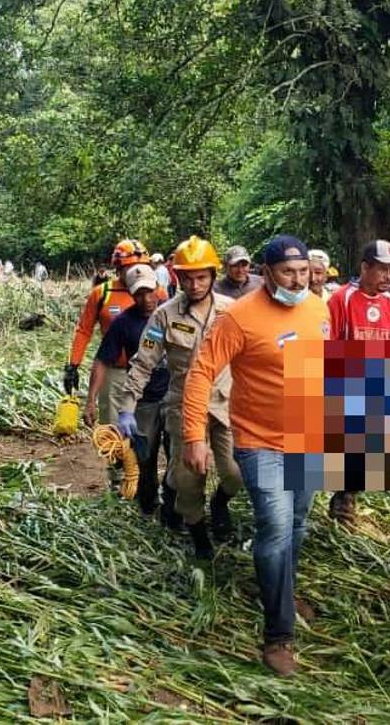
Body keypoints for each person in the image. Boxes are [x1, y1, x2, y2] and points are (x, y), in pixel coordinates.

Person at [181, 235, 330, 676]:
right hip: (258, 440)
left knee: (299, 522)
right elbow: (201, 372)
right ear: (266, 273)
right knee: (277, 525)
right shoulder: (240, 318)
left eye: (304, 272)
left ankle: (281, 588)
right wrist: (194, 436)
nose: (298, 280)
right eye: (288, 273)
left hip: (310, 435)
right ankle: (278, 634)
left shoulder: (320, 309)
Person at [120, 236, 242, 555]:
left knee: (235, 473)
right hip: (183, 408)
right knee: (190, 479)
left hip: (226, 405)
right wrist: (127, 407)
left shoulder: (232, 312)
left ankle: (220, 503)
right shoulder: (164, 316)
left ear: (213, 276)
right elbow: (143, 362)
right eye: (186, 277)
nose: (194, 284)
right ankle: (199, 535)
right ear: (177, 277)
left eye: (201, 276)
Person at [326, 239, 390, 524]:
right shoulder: (341, 299)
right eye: (382, 270)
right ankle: (343, 503)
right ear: (365, 267)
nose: (388, 277)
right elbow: (328, 344)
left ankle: (350, 494)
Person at [85, 264, 170, 510]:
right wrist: (91, 400)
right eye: (139, 294)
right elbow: (102, 360)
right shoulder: (124, 322)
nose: (146, 299)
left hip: (174, 396)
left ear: (158, 288)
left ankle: (173, 505)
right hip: (143, 401)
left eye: (150, 291)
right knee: (144, 456)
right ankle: (148, 503)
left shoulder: (174, 313)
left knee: (176, 457)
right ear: (131, 295)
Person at [63, 240, 145, 425]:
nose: (135, 273)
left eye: (140, 267)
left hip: (148, 374)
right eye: (129, 268)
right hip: (113, 372)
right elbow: (84, 330)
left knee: (145, 434)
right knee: (114, 435)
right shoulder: (102, 293)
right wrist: (73, 365)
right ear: (118, 267)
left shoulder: (157, 294)